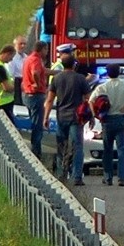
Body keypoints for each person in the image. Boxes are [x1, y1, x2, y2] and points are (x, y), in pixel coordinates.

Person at [44, 52, 91, 185]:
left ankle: (61, 174)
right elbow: (89, 99)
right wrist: (91, 116)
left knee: (61, 146)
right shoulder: (80, 79)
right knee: (77, 146)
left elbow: (49, 100)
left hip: (61, 116)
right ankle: (77, 176)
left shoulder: (56, 79)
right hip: (76, 117)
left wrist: (46, 117)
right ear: (74, 64)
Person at [90, 64, 124, 186]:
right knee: (122, 149)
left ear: (107, 73)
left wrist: (95, 115)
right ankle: (122, 178)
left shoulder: (102, 87)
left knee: (107, 150)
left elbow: (91, 101)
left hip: (107, 120)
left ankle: (108, 177)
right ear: (120, 72)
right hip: (121, 119)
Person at [21, 41, 51, 159]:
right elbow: (35, 73)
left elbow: (43, 71)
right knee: (37, 126)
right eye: (46, 49)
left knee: (34, 122)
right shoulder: (36, 60)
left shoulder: (29, 58)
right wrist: (37, 84)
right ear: (42, 49)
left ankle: (35, 149)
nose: (47, 52)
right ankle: (36, 152)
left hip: (28, 94)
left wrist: (60, 72)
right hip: (35, 95)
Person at [0, 44, 17, 123]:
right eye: (11, 57)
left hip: (3, 102)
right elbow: (7, 87)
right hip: (3, 103)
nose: (11, 60)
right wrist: (18, 87)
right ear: (7, 54)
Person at [7, 35, 29, 106]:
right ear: (15, 45)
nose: (23, 46)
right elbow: (10, 74)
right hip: (17, 84)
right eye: (20, 44)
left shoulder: (26, 57)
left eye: (24, 44)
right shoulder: (12, 58)